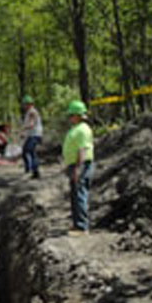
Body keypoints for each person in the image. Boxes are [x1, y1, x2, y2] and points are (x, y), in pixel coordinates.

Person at [62, 100, 95, 234]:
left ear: (77, 115)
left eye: (71, 115)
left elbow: (82, 150)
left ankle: (82, 227)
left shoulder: (82, 130)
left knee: (80, 194)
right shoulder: (77, 128)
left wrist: (77, 168)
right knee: (75, 195)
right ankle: (77, 224)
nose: (69, 118)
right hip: (75, 165)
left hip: (81, 165)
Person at [20, 96, 43, 178]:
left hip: (35, 135)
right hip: (32, 135)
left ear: (29, 104)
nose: (24, 106)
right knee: (28, 152)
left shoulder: (32, 112)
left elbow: (31, 124)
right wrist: (24, 133)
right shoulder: (29, 112)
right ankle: (33, 171)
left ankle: (32, 170)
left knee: (28, 151)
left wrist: (22, 128)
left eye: (25, 104)